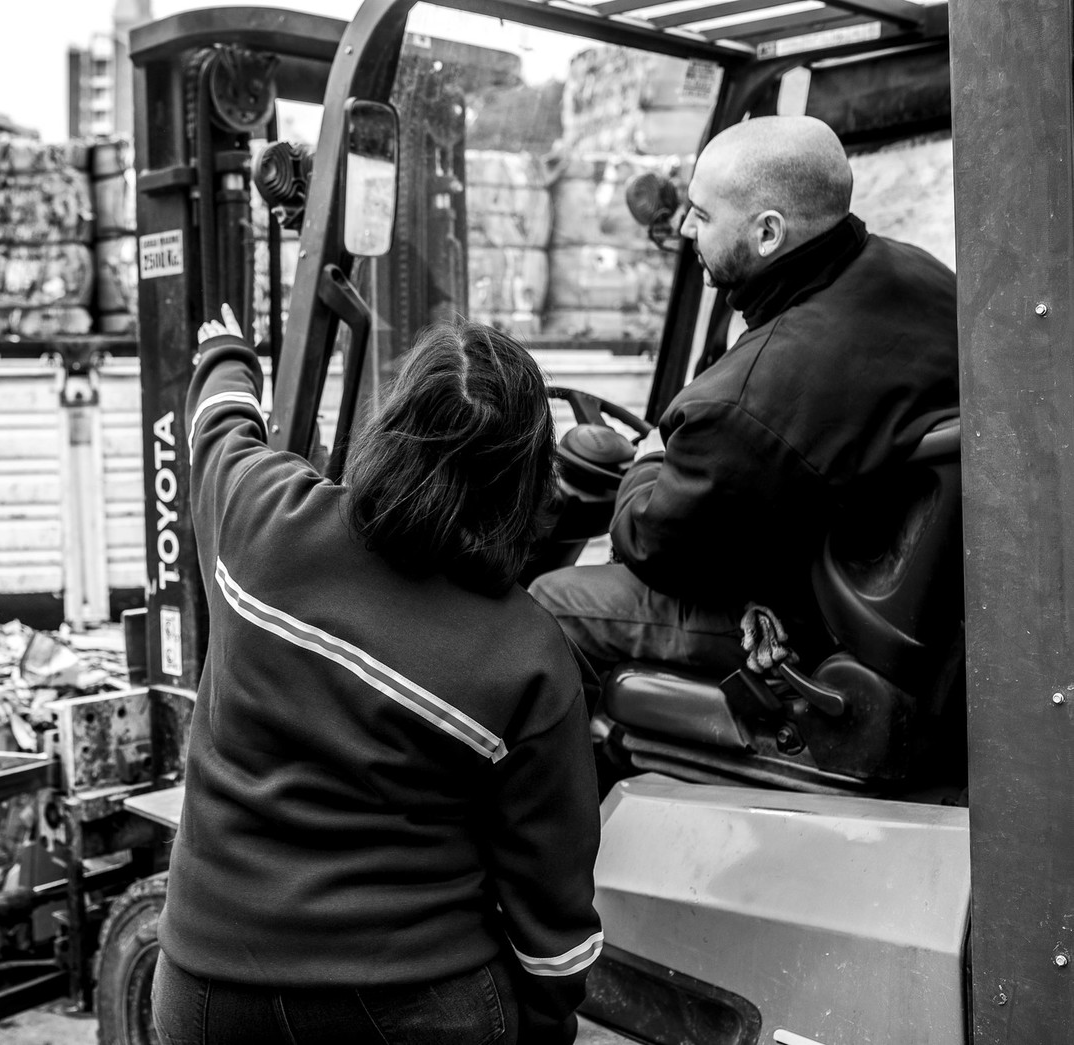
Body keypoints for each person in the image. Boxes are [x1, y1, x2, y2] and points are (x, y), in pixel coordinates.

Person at [153, 305, 602, 1045]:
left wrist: (227, 351)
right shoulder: (528, 654)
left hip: (207, 989)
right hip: (412, 1001)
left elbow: (220, 427)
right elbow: (550, 903)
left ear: (389, 428)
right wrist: (545, 1028)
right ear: (524, 480)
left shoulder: (259, 517)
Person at [529, 115, 959, 678]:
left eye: (702, 215)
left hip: (811, 621)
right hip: (887, 582)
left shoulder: (747, 403)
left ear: (768, 234)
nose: (686, 229)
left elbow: (651, 544)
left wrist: (649, 458)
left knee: (550, 601)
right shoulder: (922, 275)